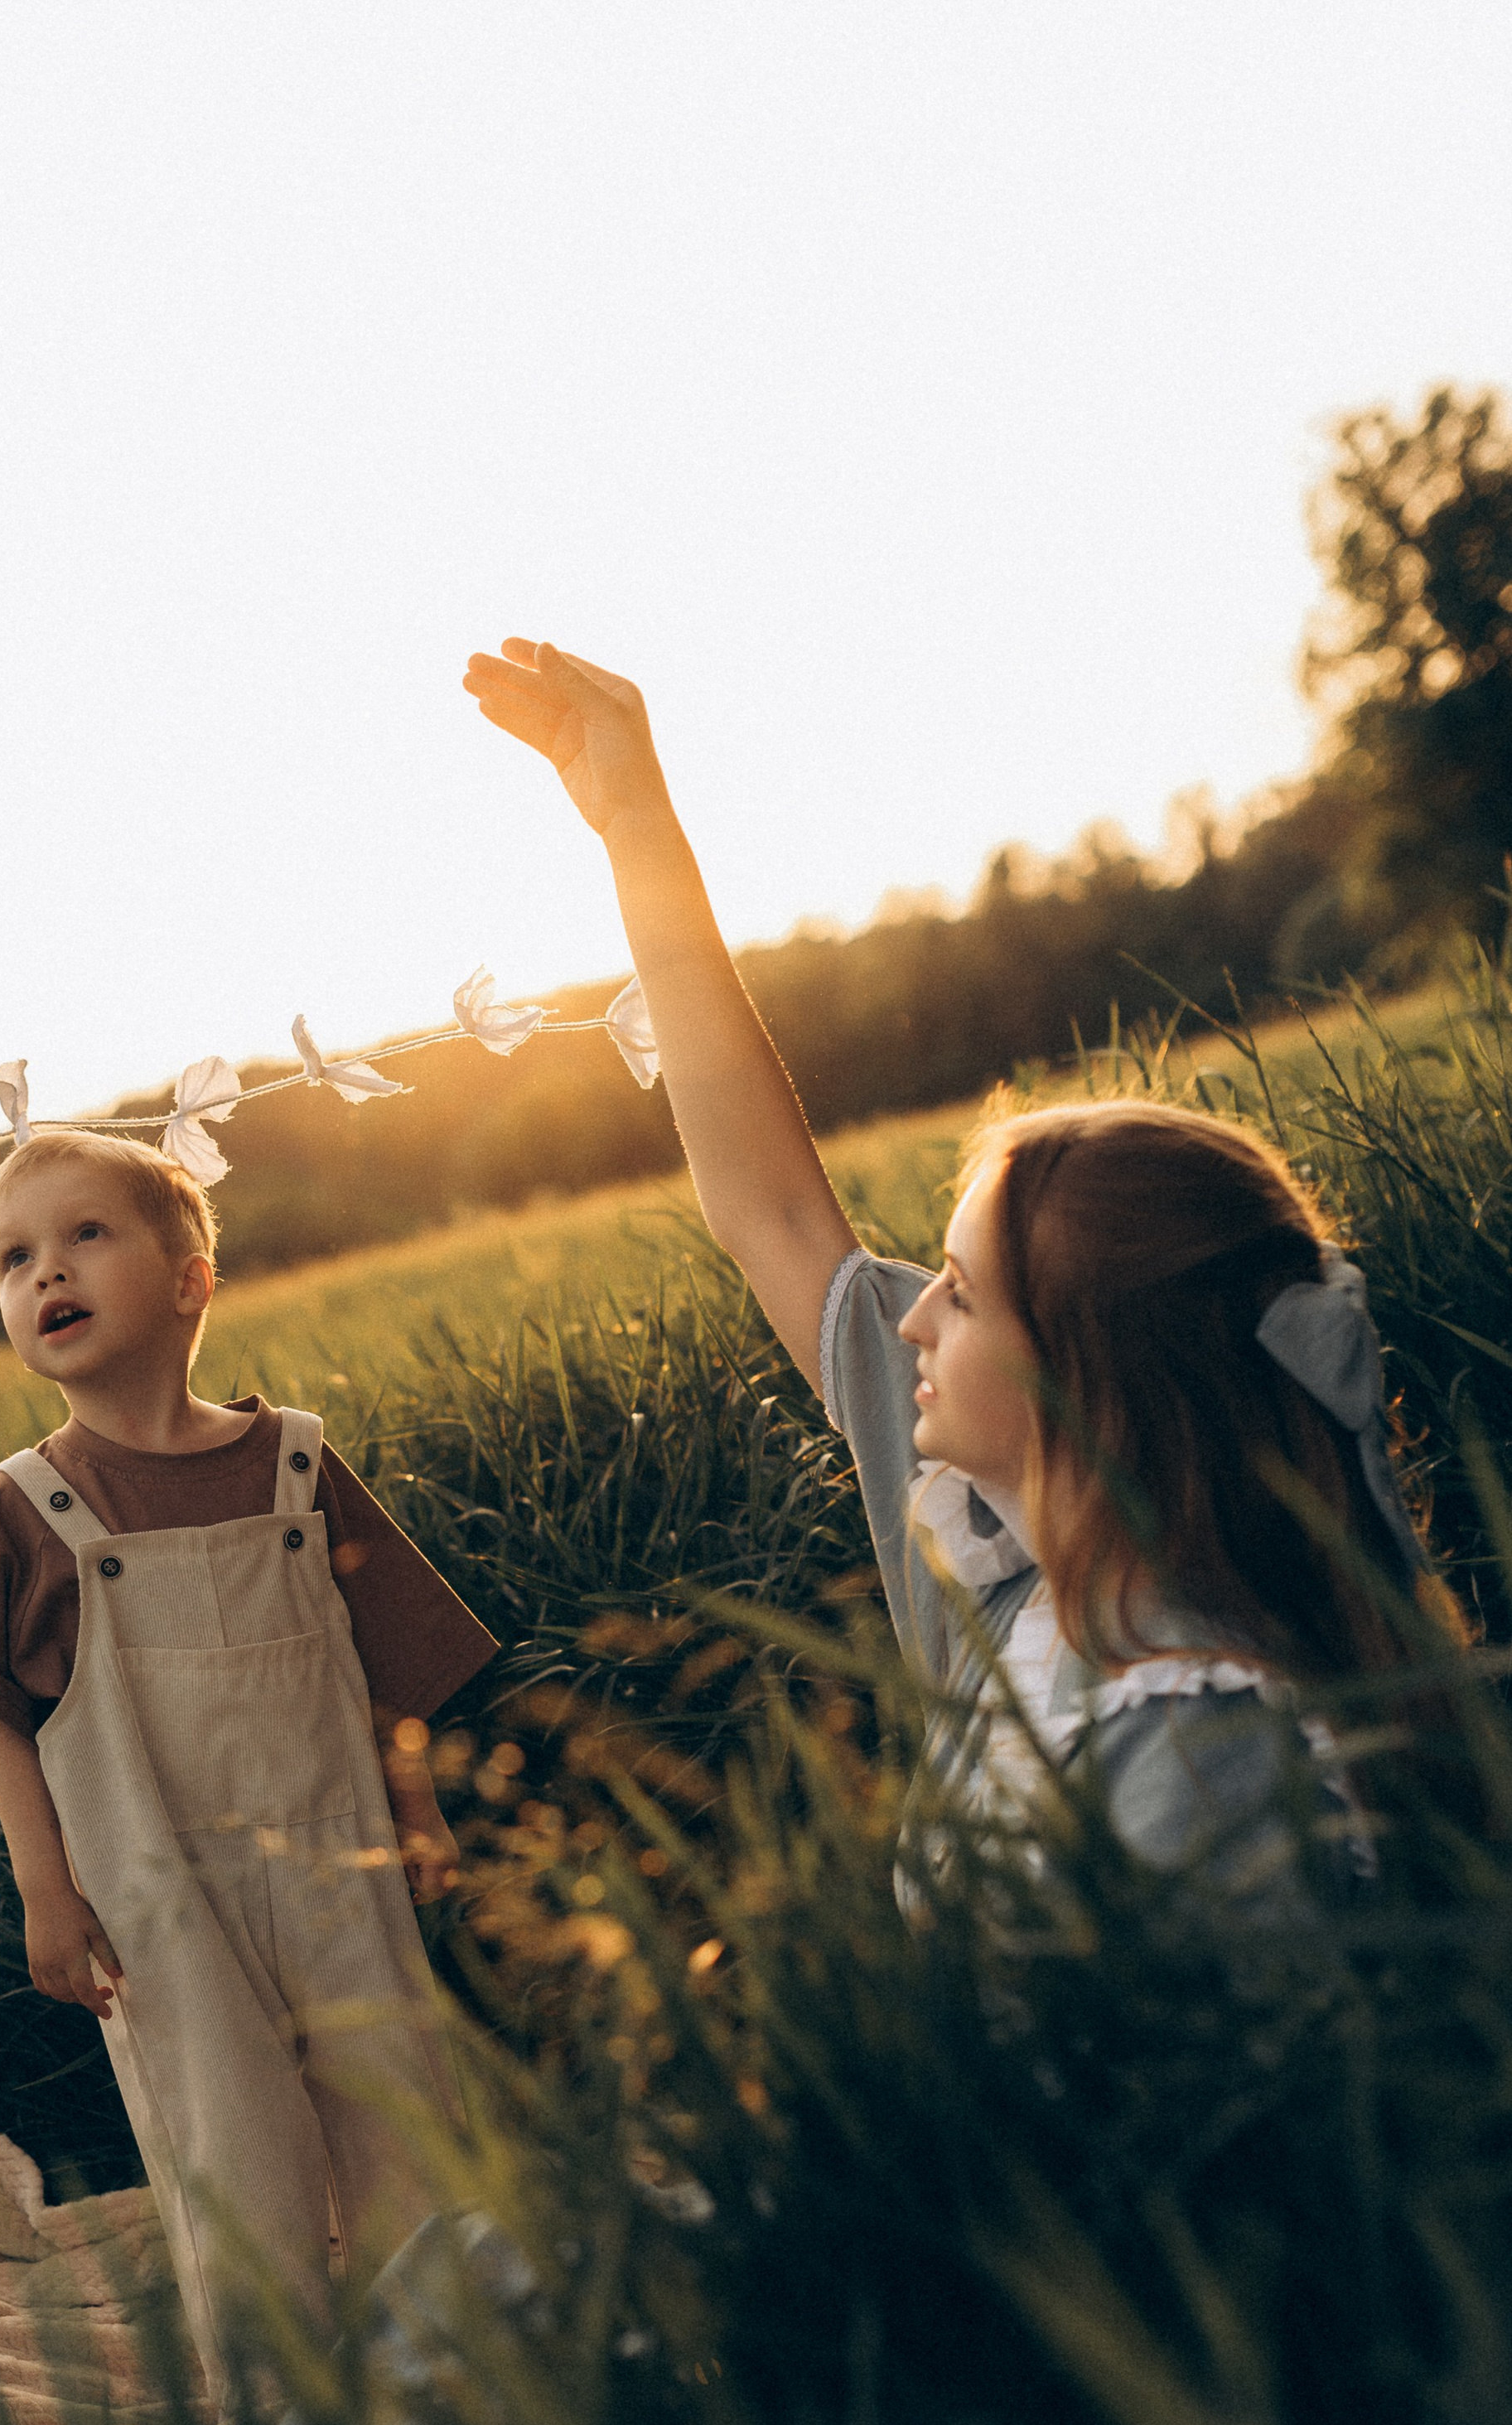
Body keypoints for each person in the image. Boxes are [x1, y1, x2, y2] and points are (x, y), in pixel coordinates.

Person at [464, 638, 1456, 1900]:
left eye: (965, 1293)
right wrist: (638, 831)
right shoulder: (1000, 1550)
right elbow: (774, 1213)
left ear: (1095, 1379)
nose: (914, 1318)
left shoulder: (1209, 1751)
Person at [0, 1128, 495, 2389]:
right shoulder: (31, 1505)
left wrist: (417, 1811)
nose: (45, 1272)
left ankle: (450, 2362)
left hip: (341, 1862)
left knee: (400, 2102)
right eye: (13, 1259)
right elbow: (3, 1711)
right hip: (156, 1898)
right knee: (230, 2148)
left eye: (85, 1235)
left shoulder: (294, 1462)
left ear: (190, 1280)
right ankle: (277, 2395)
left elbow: (386, 1667)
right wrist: (45, 1892)